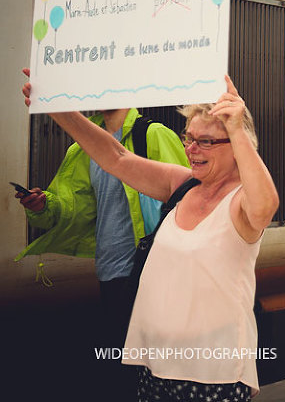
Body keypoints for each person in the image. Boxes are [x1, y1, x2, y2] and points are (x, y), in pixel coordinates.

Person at [21, 69, 279, 401]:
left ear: (237, 144)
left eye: (205, 141)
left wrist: (236, 127)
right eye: (189, 137)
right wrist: (57, 107)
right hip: (156, 367)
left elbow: (265, 206)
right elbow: (116, 157)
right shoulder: (182, 185)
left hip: (215, 375)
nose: (191, 149)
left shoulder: (241, 203)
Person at [14, 105, 188, 400]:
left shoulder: (154, 135)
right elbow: (75, 206)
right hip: (110, 272)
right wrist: (43, 206)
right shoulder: (85, 146)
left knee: (155, 368)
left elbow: (186, 200)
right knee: (122, 367)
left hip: (150, 273)